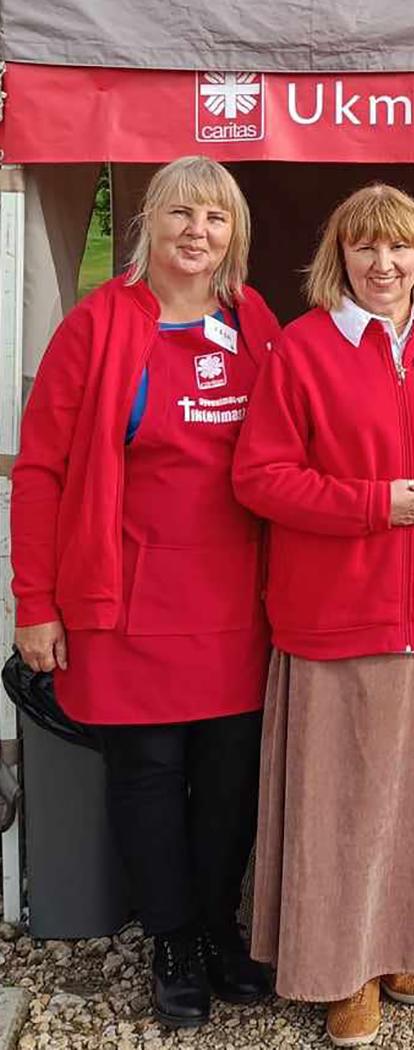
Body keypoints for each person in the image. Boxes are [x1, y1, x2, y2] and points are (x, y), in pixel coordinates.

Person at [233, 184, 414, 1047]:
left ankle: (405, 945)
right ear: (340, 257)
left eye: (400, 248)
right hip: (337, 618)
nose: (384, 265)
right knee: (343, 804)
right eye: (366, 248)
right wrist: (371, 505)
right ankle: (341, 970)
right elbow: (259, 477)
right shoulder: (302, 349)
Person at [10, 156, 279, 1029]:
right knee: (150, 777)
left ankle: (218, 924)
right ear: (148, 224)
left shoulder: (257, 323)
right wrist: (35, 603)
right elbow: (44, 471)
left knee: (231, 779)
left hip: (240, 600)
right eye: (182, 214)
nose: (198, 232)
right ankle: (171, 938)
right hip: (128, 598)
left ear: (233, 234)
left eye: (216, 217)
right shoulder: (97, 326)